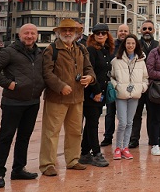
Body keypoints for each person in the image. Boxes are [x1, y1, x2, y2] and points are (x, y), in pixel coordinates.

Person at [0, 24, 45, 188]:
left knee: (24, 138)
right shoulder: (10, 51)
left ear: (37, 35)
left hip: (32, 102)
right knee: (6, 137)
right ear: (19, 35)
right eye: (26, 33)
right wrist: (9, 84)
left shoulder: (39, 53)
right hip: (13, 102)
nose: (29, 36)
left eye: (33, 33)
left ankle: (18, 169)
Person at [39, 18, 96, 177]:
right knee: (51, 132)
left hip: (77, 97)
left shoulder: (81, 48)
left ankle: (72, 160)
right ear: (58, 33)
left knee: (75, 131)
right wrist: (60, 86)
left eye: (71, 30)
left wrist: (90, 78)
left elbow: (88, 68)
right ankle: (47, 164)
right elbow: (46, 73)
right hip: (57, 98)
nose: (68, 33)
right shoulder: (51, 49)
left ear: (77, 33)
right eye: (64, 30)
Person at [80, 23, 113, 168]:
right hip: (92, 93)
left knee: (91, 124)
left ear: (107, 35)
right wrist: (96, 92)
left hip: (101, 93)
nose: (100, 35)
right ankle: (96, 153)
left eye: (103, 33)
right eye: (97, 33)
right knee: (93, 124)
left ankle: (84, 153)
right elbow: (90, 72)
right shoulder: (91, 50)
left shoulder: (106, 51)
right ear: (93, 35)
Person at [110, 35, 148, 160]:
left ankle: (125, 148)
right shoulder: (116, 60)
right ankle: (117, 147)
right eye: (128, 43)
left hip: (135, 95)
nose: (130, 45)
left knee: (130, 122)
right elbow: (111, 77)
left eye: (133, 43)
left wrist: (142, 87)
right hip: (121, 95)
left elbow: (145, 78)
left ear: (136, 45)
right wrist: (117, 87)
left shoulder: (141, 61)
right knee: (122, 122)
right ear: (124, 45)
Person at [129, 20, 159, 149]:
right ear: (140, 30)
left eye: (150, 29)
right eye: (145, 28)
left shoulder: (158, 45)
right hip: (137, 84)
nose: (147, 31)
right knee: (136, 114)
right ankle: (134, 139)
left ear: (154, 31)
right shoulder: (135, 45)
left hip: (153, 85)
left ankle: (153, 139)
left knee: (153, 114)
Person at [102, 24, 130, 147]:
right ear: (117, 32)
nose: (123, 33)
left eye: (125, 31)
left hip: (127, 86)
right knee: (110, 112)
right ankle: (108, 137)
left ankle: (127, 138)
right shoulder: (111, 47)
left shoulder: (131, 47)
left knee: (126, 115)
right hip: (112, 85)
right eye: (121, 31)